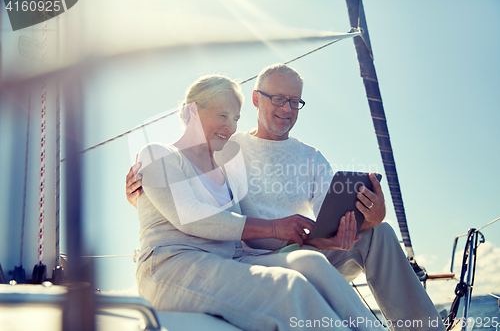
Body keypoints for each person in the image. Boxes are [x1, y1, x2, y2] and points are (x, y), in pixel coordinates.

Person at [128, 66, 445, 331]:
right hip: (232, 257)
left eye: (295, 102)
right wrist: (142, 195)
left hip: (291, 248)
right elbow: (184, 206)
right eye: (279, 99)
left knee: (373, 235)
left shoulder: (304, 157)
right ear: (257, 99)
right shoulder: (223, 150)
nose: (287, 109)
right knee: (293, 284)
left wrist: (366, 217)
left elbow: (326, 211)